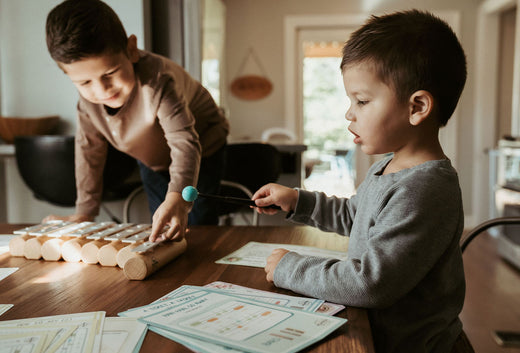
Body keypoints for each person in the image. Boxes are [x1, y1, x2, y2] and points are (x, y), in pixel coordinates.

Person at [252, 10, 474, 353]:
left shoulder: (424, 189)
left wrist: (290, 267)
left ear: (417, 107)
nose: (349, 113)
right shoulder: (387, 167)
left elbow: (370, 283)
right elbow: (355, 218)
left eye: (362, 101)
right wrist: (298, 200)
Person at [44, 0, 229, 242]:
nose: (101, 90)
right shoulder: (87, 105)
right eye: (85, 83)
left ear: (132, 49)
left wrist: (178, 200)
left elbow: (184, 142)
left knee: (196, 225)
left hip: (202, 148)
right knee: (162, 227)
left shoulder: (158, 81)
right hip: (151, 158)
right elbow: (89, 152)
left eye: (109, 73)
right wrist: (84, 213)